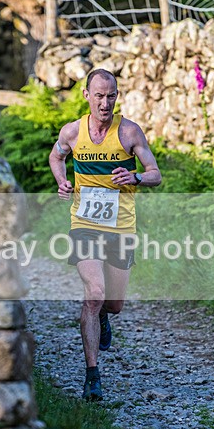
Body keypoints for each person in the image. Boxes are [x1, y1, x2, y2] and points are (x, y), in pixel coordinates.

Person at [48, 68, 162, 400]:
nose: (105, 102)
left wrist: (136, 178)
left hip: (121, 227)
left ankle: (102, 316)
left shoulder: (129, 132)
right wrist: (62, 181)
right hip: (84, 223)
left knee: (113, 305)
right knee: (94, 292)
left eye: (111, 95)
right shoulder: (72, 132)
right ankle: (92, 375)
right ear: (86, 95)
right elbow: (57, 157)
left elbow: (155, 173)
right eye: (99, 95)